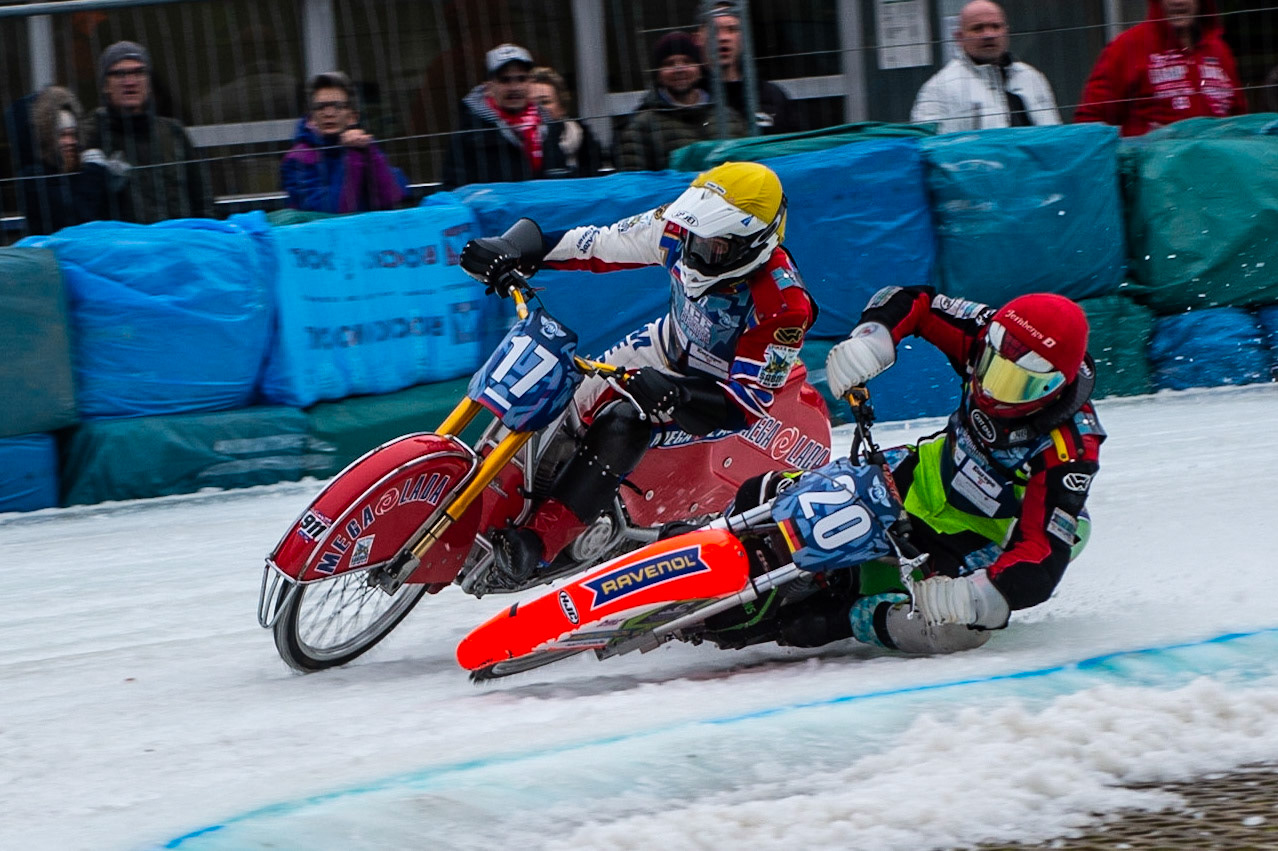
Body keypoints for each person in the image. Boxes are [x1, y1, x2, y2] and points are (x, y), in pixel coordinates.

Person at [460, 161, 815, 587]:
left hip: (712, 394)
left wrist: (678, 396)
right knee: (564, 394)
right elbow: (599, 244)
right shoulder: (678, 230)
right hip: (664, 346)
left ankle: (542, 542)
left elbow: (747, 405)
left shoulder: (783, 305)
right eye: (694, 235)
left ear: (752, 244)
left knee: (621, 422)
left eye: (715, 245)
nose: (696, 251)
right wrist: (519, 247)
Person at [728, 287, 1105, 655]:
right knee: (762, 493)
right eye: (991, 370)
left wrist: (977, 595)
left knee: (954, 633)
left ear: (1054, 388)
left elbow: (1042, 554)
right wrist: (872, 340)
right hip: (921, 472)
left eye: (1017, 385)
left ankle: (849, 618)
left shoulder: (1072, 445)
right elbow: (915, 301)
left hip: (977, 535)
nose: (994, 391)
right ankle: (704, 534)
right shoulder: (986, 333)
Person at [86, 41, 214, 223]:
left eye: (138, 72)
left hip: (179, 242)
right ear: (105, 85)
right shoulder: (92, 136)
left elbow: (202, 200)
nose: (130, 82)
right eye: (119, 74)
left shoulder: (173, 132)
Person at [1075, 0, 1245, 137]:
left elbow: (1240, 119)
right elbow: (1089, 123)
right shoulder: (1127, 47)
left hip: (1216, 172)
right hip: (1150, 176)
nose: (1178, 2)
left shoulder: (1220, 52)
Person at [910, 0, 1061, 133]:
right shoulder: (938, 88)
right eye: (978, 28)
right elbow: (927, 148)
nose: (989, 34)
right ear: (959, 37)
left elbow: (1054, 134)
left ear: (1006, 31)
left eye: (996, 26)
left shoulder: (1032, 77)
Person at [441, 43, 576, 188]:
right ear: (489, 86)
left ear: (530, 82)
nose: (515, 87)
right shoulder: (469, 133)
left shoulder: (549, 126)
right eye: (505, 80)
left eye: (521, 79)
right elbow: (455, 187)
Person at [614, 31, 747, 171]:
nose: (679, 69)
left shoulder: (729, 117)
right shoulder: (640, 128)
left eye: (687, 61)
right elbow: (635, 184)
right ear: (658, 75)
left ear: (700, 69)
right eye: (669, 63)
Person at [280, 72, 408, 214]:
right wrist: (353, 154)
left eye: (338, 106)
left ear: (353, 117)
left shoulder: (365, 146)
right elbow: (332, 212)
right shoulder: (298, 159)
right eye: (320, 107)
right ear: (311, 118)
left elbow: (390, 198)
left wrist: (368, 149)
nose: (328, 113)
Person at [17, 85, 120, 236]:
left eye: (73, 134)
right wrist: (95, 173)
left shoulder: (84, 172)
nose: (70, 141)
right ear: (47, 136)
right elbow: (78, 218)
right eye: (62, 135)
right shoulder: (33, 178)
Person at [697, 1, 799, 135]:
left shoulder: (772, 96)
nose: (723, 37)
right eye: (714, 30)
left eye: (732, 29)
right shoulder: (693, 99)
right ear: (698, 38)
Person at [528, 66, 604, 178]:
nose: (538, 109)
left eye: (545, 102)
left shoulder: (585, 142)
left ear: (562, 107)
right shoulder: (518, 146)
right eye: (531, 103)